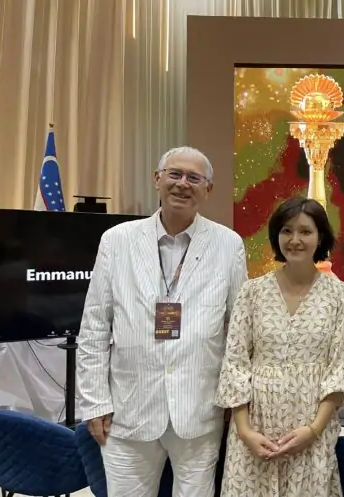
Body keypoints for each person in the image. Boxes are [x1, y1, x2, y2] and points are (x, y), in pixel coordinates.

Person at [77, 146, 248, 497]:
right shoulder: (117, 241)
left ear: (207, 190)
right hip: (128, 409)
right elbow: (95, 326)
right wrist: (95, 401)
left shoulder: (228, 245)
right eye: (174, 174)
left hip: (199, 411)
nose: (183, 184)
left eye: (194, 178)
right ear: (157, 180)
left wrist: (236, 400)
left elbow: (240, 331)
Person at [215, 196, 344, 497]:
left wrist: (313, 431)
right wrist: (245, 432)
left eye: (305, 231)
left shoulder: (338, 295)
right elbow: (235, 363)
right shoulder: (253, 292)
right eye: (286, 231)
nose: (295, 240)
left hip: (311, 430)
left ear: (320, 237)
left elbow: (342, 367)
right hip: (254, 430)